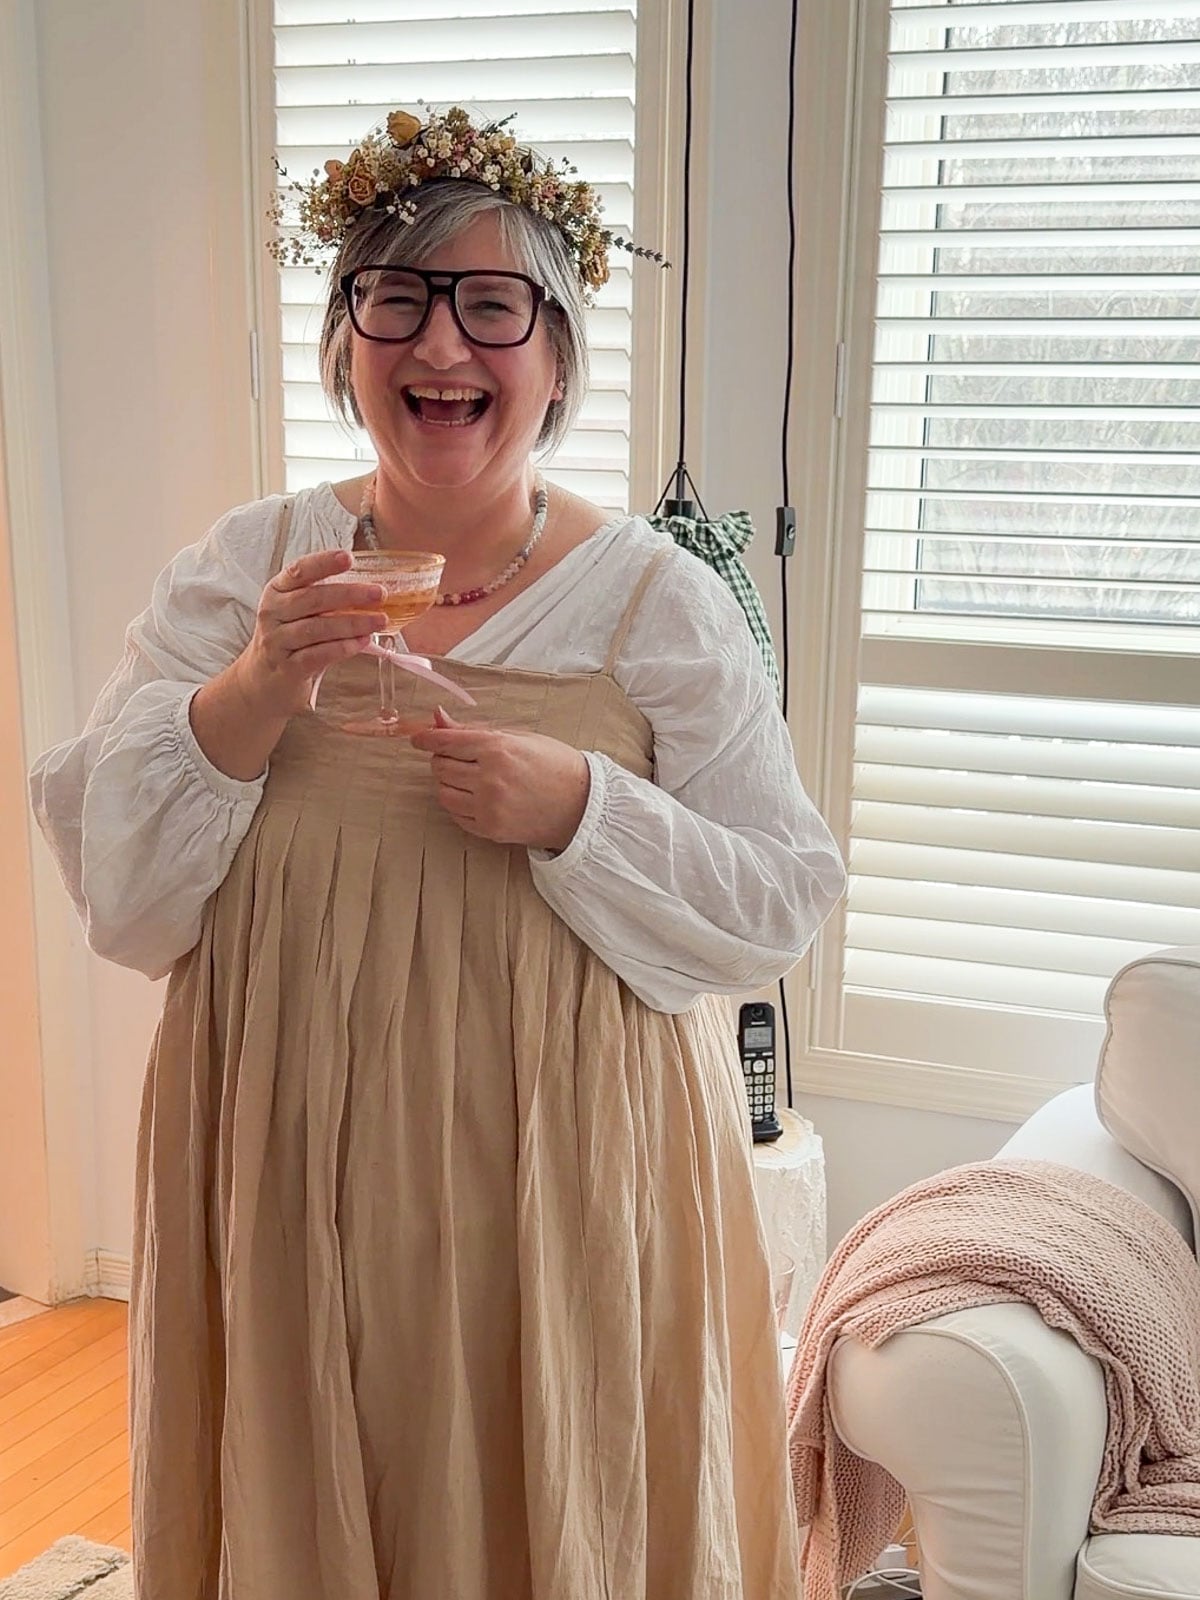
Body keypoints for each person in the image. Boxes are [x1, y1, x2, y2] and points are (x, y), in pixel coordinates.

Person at [29, 106, 845, 1600]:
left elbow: (781, 897)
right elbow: (125, 894)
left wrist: (583, 811)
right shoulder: (243, 569)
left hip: (569, 1162)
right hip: (290, 1159)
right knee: (325, 1482)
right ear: (347, 343)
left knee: (559, 1488)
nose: (442, 346)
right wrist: (253, 692)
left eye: (493, 304)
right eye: (395, 298)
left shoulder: (653, 601)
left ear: (555, 352)